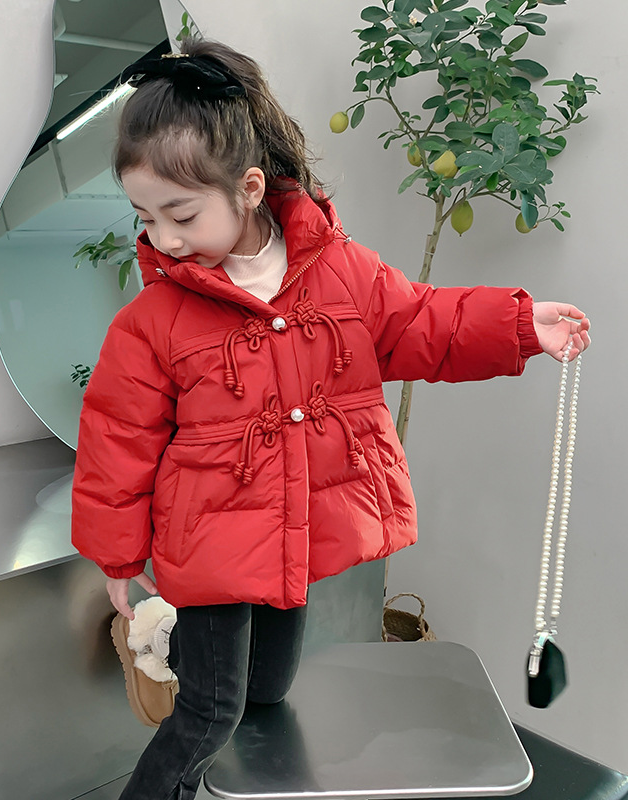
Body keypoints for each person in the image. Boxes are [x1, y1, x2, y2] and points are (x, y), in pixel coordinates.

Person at [71, 38, 591, 800]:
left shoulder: (340, 271)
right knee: (210, 712)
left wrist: (517, 325)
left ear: (249, 188)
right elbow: (117, 439)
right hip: (206, 545)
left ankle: (181, 659)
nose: (164, 239)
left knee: (269, 690)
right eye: (146, 217)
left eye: (180, 214)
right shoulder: (154, 320)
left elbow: (421, 321)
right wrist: (117, 555)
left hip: (291, 534)